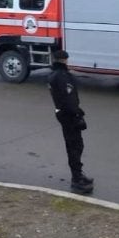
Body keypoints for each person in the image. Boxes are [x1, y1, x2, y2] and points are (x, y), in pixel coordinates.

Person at [47, 49, 93, 195]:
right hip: (69, 116)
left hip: (62, 113)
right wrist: (78, 114)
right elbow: (69, 99)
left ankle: (78, 174)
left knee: (74, 145)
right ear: (65, 60)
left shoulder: (53, 75)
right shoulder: (62, 77)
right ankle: (77, 179)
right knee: (75, 146)